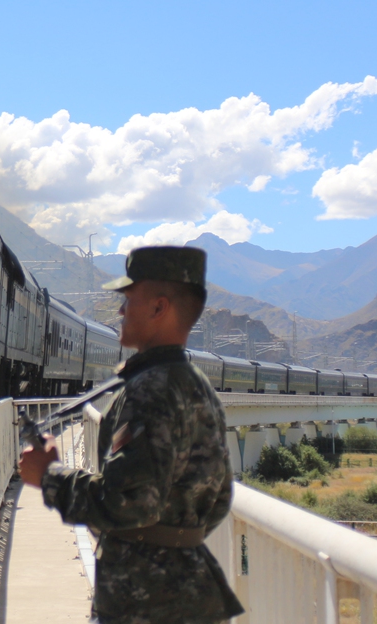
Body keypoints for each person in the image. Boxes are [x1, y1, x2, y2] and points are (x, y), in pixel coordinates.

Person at [19, 246, 244, 624]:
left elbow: (130, 502)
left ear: (159, 308)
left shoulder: (149, 390)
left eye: (127, 300)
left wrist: (49, 476)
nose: (120, 312)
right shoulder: (197, 385)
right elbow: (220, 498)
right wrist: (175, 536)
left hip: (145, 603)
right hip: (190, 591)